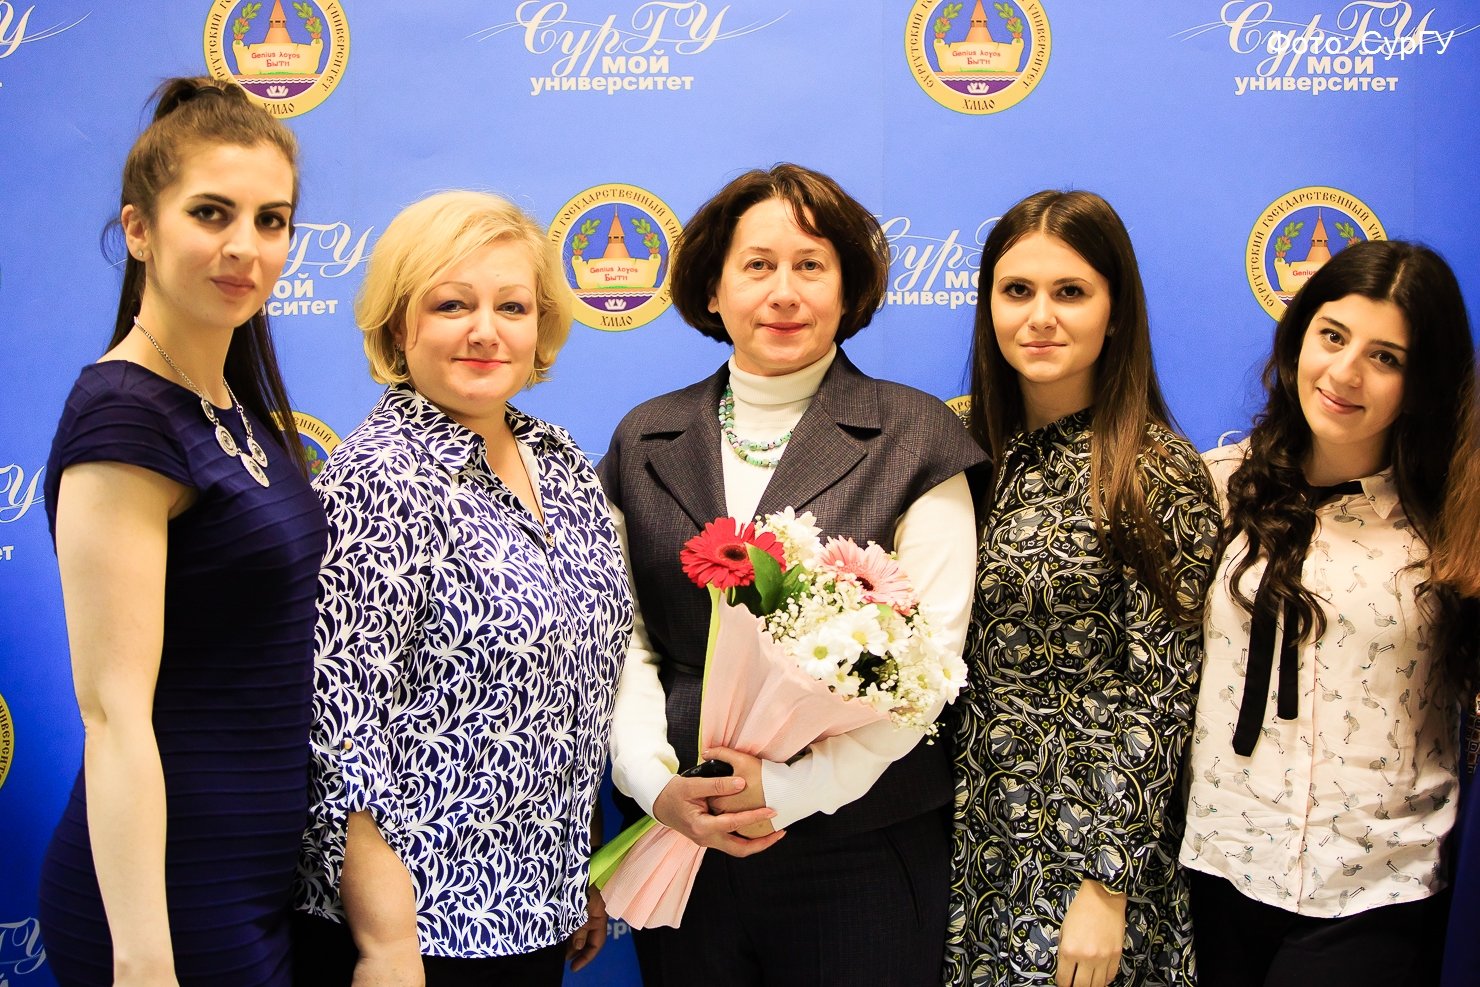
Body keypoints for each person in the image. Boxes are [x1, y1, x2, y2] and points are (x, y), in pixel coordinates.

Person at [600, 163, 985, 986]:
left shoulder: (914, 435)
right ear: (713, 289)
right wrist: (653, 782)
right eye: (757, 265)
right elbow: (623, 641)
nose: (784, 292)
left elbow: (931, 669)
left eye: (811, 265)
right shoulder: (645, 438)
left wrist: (792, 789)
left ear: (848, 289)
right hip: (685, 837)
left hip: (859, 849)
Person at [293, 190, 633, 987]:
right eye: (452, 304)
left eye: (511, 306)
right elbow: (338, 734)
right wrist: (385, 944)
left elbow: (571, 689)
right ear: (397, 325)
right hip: (417, 932)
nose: (486, 330)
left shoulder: (560, 461)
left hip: (533, 910)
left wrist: (573, 869)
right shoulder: (379, 480)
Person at [36, 77, 327, 986]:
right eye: (211, 213)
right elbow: (112, 714)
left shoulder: (230, 405)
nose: (246, 247)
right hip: (168, 904)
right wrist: (143, 958)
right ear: (138, 229)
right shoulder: (123, 417)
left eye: (271, 220)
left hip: (256, 881)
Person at [1180, 239, 1479, 987]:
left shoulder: (1453, 521)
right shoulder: (1216, 487)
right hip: (1220, 865)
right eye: (1333, 336)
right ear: (1298, 339)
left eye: (1386, 357)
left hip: (1376, 886)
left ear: (1422, 380)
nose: (1345, 373)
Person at [946, 189, 1220, 987]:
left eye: (1070, 292)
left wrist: (1107, 884)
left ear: (1115, 311)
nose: (1040, 316)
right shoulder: (959, 450)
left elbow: (1165, 695)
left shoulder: (1152, 469)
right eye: (1017, 290)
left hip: (1088, 854)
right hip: (973, 835)